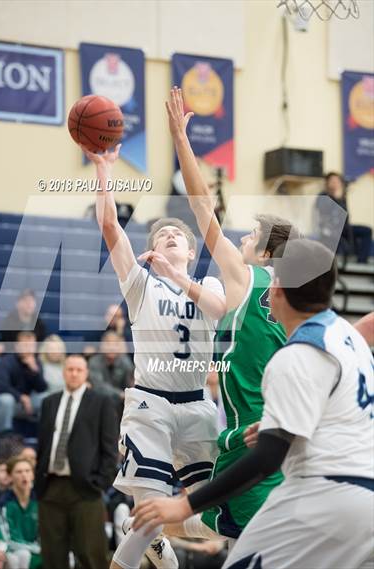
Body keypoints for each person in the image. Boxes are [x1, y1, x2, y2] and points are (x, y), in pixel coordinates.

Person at [133, 238, 374, 569]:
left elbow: (265, 460)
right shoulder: (348, 337)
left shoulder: (293, 357)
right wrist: (279, 426)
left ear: (277, 291)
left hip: (325, 496)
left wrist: (184, 506)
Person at [162, 87, 300, 541]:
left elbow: (203, 210)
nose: (241, 237)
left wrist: (181, 140)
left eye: (251, 234)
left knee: (194, 525)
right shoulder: (291, 294)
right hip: (283, 434)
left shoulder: (243, 275)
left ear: (264, 249)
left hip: (252, 439)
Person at [82, 141, 226, 569]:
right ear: (153, 248)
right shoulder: (141, 283)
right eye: (161, 234)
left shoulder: (212, 285)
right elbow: (110, 226)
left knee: (220, 518)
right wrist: (104, 169)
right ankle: (146, 533)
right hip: (151, 403)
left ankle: (153, 530)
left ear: (191, 251)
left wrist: (179, 277)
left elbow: (218, 311)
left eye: (177, 235)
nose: (168, 236)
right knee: (148, 517)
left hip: (198, 406)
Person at [35, 354, 118, 569]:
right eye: (70, 369)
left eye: (78, 370)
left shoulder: (101, 402)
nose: (73, 373)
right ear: (63, 372)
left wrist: (100, 482)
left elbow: (110, 449)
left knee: (90, 554)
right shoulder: (49, 403)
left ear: (86, 373)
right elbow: (43, 444)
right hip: (50, 486)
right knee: (53, 556)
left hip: (85, 488)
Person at [0, 332, 47, 434]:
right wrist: (21, 397)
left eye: (31, 346)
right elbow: (1, 387)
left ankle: (44, 436)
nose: (28, 349)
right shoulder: (5, 361)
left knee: (45, 399)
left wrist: (35, 371)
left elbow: (42, 388)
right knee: (7, 399)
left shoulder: (36, 363)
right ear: (17, 346)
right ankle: (4, 438)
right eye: (25, 345)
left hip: (21, 406)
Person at [315, 171, 372, 263]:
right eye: (333, 181)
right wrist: (336, 199)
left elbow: (345, 215)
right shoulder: (323, 196)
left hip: (344, 228)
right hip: (331, 230)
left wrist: (339, 199)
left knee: (366, 231)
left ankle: (362, 261)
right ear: (327, 183)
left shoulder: (341, 196)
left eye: (337, 181)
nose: (336, 184)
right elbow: (324, 210)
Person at [0, 457, 42, 569]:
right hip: (12, 549)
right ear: (10, 477)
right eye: (19, 472)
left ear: (33, 475)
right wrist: (35, 548)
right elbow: (7, 539)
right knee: (23, 555)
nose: (24, 475)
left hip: (37, 547)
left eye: (27, 471)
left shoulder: (40, 500)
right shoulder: (3, 503)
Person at [88, 330, 134, 417]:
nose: (111, 347)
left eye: (115, 344)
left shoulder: (125, 361)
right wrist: (120, 394)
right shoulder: (94, 361)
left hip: (121, 405)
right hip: (99, 404)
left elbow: (130, 384)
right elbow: (99, 386)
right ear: (102, 346)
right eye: (108, 343)